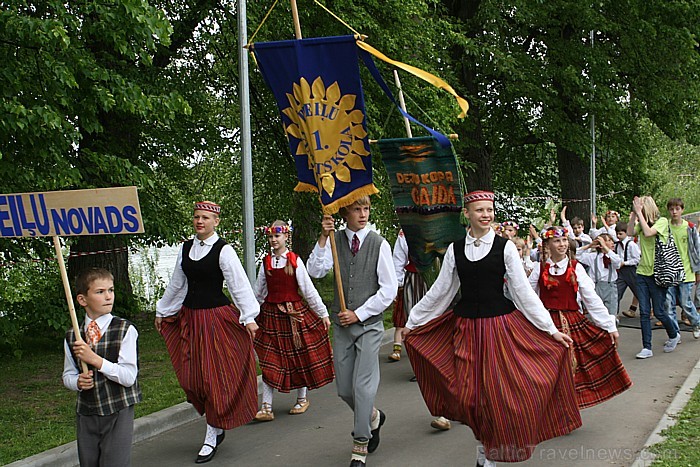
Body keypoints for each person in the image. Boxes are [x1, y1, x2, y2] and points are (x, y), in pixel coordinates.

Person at [402, 190, 581, 466]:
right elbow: (442, 292)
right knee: (469, 398)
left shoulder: (505, 247)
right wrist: (413, 321)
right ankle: (486, 446)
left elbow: (523, 293)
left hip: (499, 329)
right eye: (480, 210)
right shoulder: (455, 249)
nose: (486, 215)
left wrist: (549, 330)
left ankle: (487, 455)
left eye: (489, 210)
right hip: (465, 330)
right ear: (467, 214)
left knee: (497, 396)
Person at [155, 201, 259, 463]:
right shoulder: (186, 248)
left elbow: (239, 285)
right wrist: (163, 310)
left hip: (216, 321)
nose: (199, 221)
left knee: (214, 378)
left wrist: (249, 317)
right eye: (196, 217)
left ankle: (212, 432)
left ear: (216, 222)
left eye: (205, 217)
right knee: (192, 379)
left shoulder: (224, 250)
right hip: (190, 319)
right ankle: (216, 422)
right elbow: (177, 284)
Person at [307, 196, 398, 467]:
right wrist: (323, 238)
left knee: (363, 387)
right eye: (357, 209)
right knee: (345, 389)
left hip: (368, 326)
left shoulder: (378, 243)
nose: (363, 214)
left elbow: (389, 289)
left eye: (366, 209)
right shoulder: (334, 241)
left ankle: (360, 445)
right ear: (345, 212)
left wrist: (359, 313)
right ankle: (372, 417)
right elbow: (315, 270)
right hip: (342, 327)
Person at [530, 227, 632, 408]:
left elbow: (591, 299)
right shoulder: (539, 270)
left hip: (571, 321)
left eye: (563, 241)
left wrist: (610, 326)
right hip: (546, 324)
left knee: (573, 366)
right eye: (556, 241)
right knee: (543, 367)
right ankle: (547, 406)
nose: (561, 245)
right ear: (547, 245)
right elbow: (529, 298)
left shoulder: (576, 268)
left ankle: (568, 406)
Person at [252, 220, 335, 422]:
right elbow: (258, 293)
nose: (273, 240)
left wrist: (323, 313)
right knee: (270, 359)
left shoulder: (294, 260)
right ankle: (266, 406)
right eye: (270, 237)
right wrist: (249, 315)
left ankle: (302, 398)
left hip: (293, 315)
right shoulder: (265, 263)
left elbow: (308, 290)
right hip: (271, 316)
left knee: (299, 355)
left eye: (277, 236)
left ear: (286, 237)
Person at [63, 268, 141, 467]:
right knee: (88, 462)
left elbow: (129, 376)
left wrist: (96, 360)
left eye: (111, 290)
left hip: (117, 410)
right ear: (82, 300)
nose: (108, 296)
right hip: (87, 412)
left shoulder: (125, 330)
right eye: (100, 292)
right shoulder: (73, 335)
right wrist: (78, 382)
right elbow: (68, 375)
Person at [390, 229, 451, 432]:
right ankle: (423, 367)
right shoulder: (405, 233)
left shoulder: (445, 228)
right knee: (415, 326)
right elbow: (398, 259)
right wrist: (397, 286)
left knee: (440, 329)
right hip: (415, 280)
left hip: (442, 281)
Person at [627, 195, 681, 359]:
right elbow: (630, 232)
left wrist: (640, 214)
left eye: (642, 210)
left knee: (659, 311)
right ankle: (647, 347)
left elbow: (649, 233)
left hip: (658, 273)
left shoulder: (662, 221)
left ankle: (673, 334)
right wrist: (634, 216)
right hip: (642, 273)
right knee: (644, 312)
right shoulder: (640, 221)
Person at [664, 198, 700, 339]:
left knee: (685, 302)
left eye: (677, 209)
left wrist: (697, 271)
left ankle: (696, 322)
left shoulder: (689, 228)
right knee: (669, 304)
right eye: (672, 209)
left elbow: (696, 250)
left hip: (686, 272)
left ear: (682, 210)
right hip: (669, 272)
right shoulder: (665, 227)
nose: (674, 212)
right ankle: (675, 333)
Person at [576, 233, 622, 317]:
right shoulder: (592, 257)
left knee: (611, 314)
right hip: (596, 286)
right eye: (609, 240)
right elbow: (576, 254)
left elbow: (618, 263)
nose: (612, 243)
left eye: (612, 240)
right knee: (596, 313)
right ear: (600, 245)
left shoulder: (613, 256)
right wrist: (589, 246)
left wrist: (606, 249)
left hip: (610, 287)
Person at [615, 222, 642, 318]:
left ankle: (646, 312)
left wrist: (625, 263)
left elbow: (637, 259)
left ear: (626, 233)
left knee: (639, 292)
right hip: (621, 272)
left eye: (620, 234)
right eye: (617, 234)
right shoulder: (617, 245)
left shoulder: (631, 245)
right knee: (617, 293)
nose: (618, 236)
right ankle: (614, 314)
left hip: (631, 271)